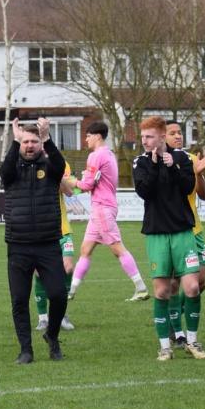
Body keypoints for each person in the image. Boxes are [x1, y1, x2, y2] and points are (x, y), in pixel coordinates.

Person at [131, 116, 203, 361]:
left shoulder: (182, 158)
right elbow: (144, 192)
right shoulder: (140, 162)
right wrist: (153, 166)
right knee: (162, 292)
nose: (145, 141)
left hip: (183, 231)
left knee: (192, 287)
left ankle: (193, 341)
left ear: (162, 137)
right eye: (143, 137)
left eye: (149, 136)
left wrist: (172, 167)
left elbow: (188, 187)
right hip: (157, 233)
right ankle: (165, 346)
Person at [0, 117, 67, 364]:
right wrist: (14, 141)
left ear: (40, 144)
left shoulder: (49, 167)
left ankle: (52, 335)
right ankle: (25, 349)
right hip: (18, 245)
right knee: (19, 299)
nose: (29, 145)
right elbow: (3, 172)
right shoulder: (12, 168)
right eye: (25, 141)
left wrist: (48, 139)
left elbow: (60, 165)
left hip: (48, 243)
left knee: (58, 295)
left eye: (34, 141)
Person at [66, 121, 149, 301]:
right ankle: (71, 291)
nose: (85, 139)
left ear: (97, 136)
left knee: (117, 248)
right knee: (86, 249)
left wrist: (69, 181)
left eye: (87, 136)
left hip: (102, 208)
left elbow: (87, 185)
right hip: (102, 207)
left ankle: (141, 288)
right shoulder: (109, 154)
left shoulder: (96, 156)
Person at [164, 120, 205, 347]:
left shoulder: (192, 159)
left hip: (195, 230)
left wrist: (199, 175)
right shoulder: (158, 161)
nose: (178, 136)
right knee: (173, 284)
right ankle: (178, 331)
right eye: (172, 133)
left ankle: (175, 313)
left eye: (179, 132)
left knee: (200, 282)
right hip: (173, 231)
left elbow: (204, 195)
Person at [34, 162, 76, 333]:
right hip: (38, 229)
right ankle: (43, 318)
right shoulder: (27, 164)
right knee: (39, 272)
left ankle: (61, 314)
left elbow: (69, 191)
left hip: (62, 228)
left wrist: (54, 172)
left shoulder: (59, 162)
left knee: (67, 268)